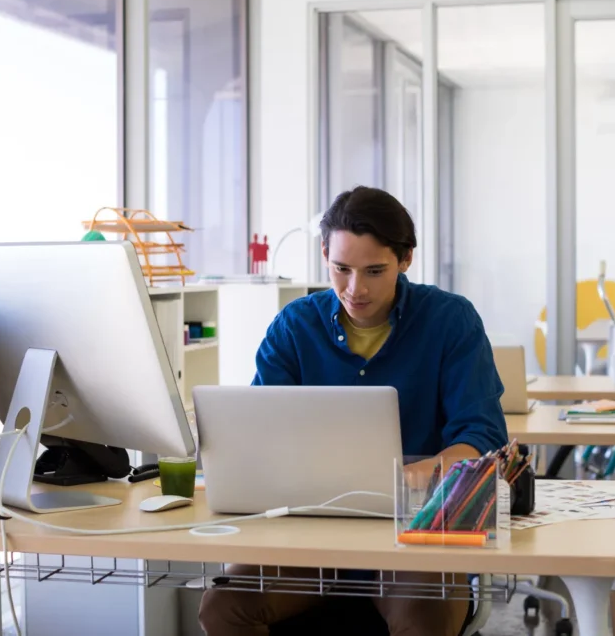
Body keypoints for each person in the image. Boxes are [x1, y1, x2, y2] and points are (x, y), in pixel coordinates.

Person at [198, 186, 508, 636]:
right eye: (340, 269)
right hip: (309, 537)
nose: (355, 288)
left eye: (374, 271)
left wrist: (419, 474)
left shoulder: (450, 320)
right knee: (222, 606)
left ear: (406, 260)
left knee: (422, 618)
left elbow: (481, 438)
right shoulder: (295, 325)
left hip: (415, 535)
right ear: (324, 252)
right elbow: (259, 429)